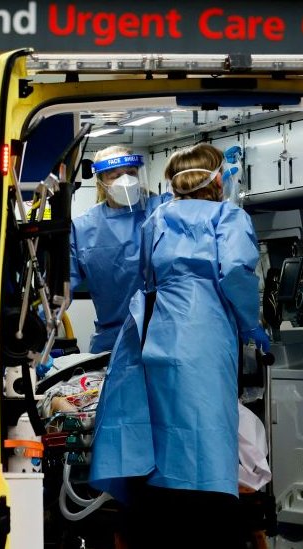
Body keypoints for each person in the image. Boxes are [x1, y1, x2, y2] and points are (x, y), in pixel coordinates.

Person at [89, 143, 270, 546]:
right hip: (204, 333)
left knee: (163, 431)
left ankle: (160, 517)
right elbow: (237, 273)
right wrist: (251, 325)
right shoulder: (229, 217)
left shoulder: (155, 219)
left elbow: (147, 277)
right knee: (207, 431)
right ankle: (208, 519)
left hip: (157, 332)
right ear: (219, 178)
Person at [69, 146, 171, 353]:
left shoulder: (163, 209)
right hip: (113, 340)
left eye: (131, 173)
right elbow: (61, 287)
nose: (126, 181)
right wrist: (34, 335)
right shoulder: (83, 228)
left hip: (164, 334)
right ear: (101, 183)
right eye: (115, 176)